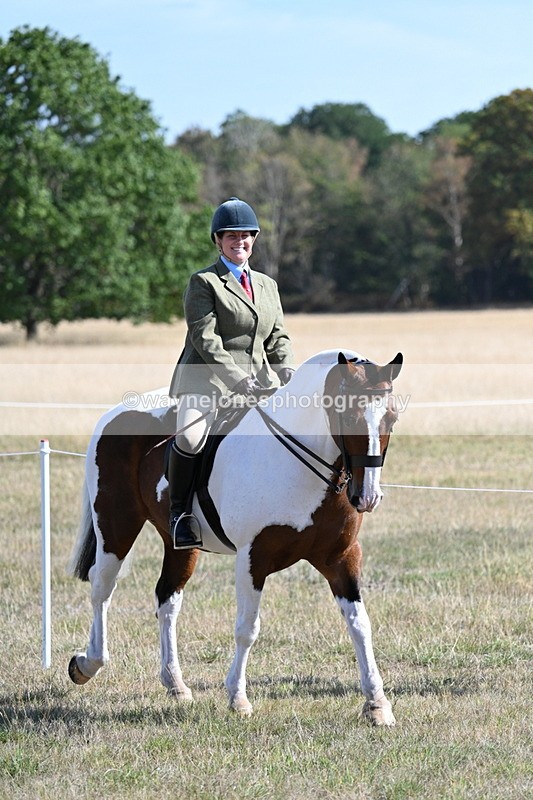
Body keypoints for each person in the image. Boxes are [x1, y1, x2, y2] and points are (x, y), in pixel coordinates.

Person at [168, 197, 295, 549]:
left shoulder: (268, 285)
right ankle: (180, 514)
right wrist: (238, 379)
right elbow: (204, 339)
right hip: (206, 382)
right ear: (218, 240)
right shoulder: (204, 282)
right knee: (191, 439)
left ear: (254, 239)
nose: (240, 241)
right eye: (231, 236)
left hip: (258, 382)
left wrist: (286, 372)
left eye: (246, 235)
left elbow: (277, 336)